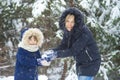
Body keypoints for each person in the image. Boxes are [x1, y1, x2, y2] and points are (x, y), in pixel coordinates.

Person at [43, 7, 101, 80]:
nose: (69, 24)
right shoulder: (68, 32)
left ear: (76, 22)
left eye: (72, 22)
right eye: (67, 21)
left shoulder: (84, 32)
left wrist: (56, 54)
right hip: (80, 62)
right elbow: (63, 46)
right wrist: (52, 51)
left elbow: (73, 50)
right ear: (64, 21)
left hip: (91, 63)